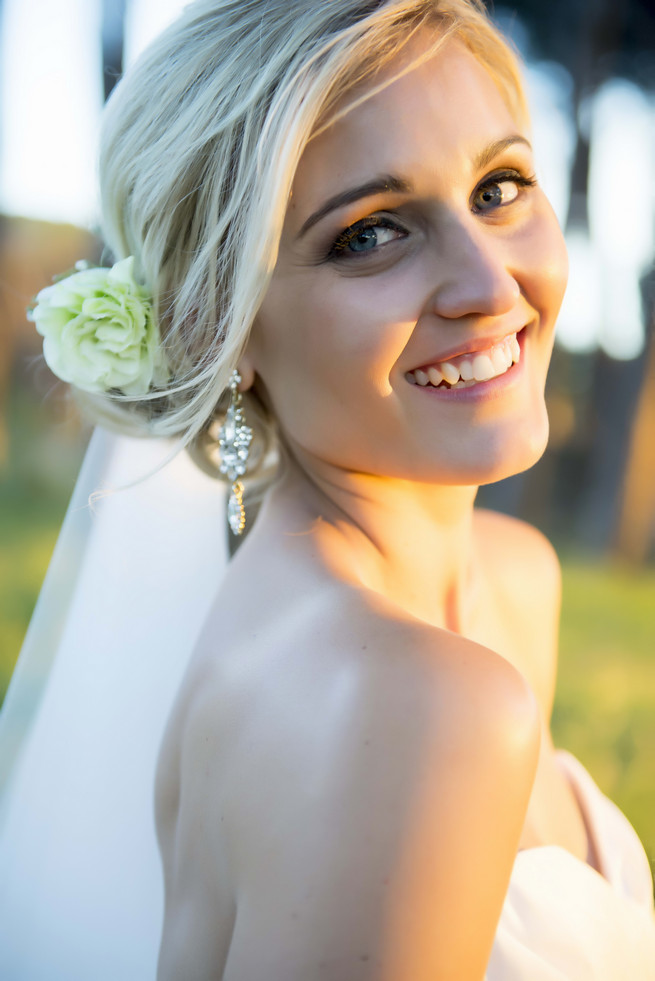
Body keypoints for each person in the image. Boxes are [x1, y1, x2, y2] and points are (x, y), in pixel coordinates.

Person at [1, 0, 654, 978]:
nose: (486, 283)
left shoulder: (510, 580)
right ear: (210, 327)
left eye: (500, 186)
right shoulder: (412, 700)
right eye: (369, 234)